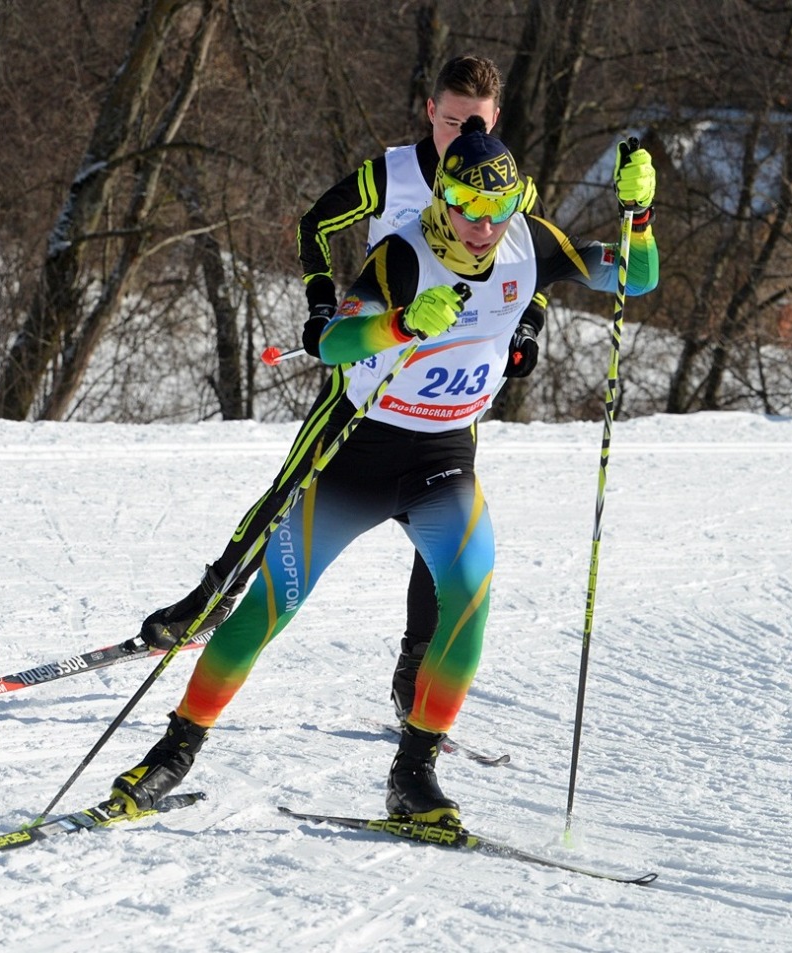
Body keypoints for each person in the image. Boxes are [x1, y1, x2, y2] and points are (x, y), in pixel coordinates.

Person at [106, 117, 658, 827]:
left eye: (500, 208)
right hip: (360, 456)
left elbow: (635, 281)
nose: (486, 226)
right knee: (269, 607)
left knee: (470, 591)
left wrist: (639, 216)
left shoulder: (530, 242)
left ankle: (412, 776)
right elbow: (336, 344)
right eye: (470, 208)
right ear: (442, 201)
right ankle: (171, 754)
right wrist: (399, 325)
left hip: (442, 457)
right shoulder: (403, 257)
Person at [137, 56, 548, 722]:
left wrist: (527, 328)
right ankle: (209, 602)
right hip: (373, 367)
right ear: (429, 112)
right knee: (294, 488)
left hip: (449, 394)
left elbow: (535, 267)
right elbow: (314, 225)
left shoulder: (497, 183)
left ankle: (414, 672)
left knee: (443, 537)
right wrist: (323, 303)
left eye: (474, 121)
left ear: (494, 120)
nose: (461, 133)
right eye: (450, 121)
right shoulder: (396, 172)